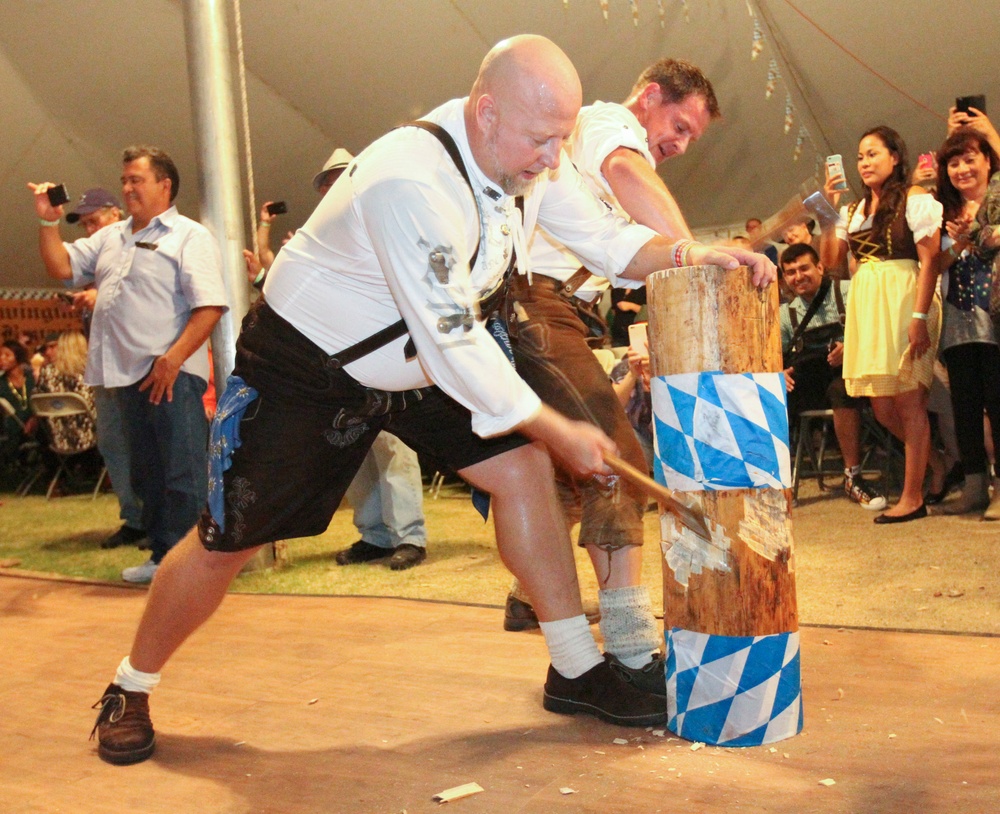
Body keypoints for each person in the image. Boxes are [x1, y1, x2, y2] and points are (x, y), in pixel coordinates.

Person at [85, 35, 773, 766]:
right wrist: (553, 424)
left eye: (560, 140)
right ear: (485, 113)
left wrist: (686, 252)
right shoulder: (406, 179)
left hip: (419, 363)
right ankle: (131, 685)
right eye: (542, 140)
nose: (552, 159)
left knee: (520, 472)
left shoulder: (531, 158)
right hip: (309, 369)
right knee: (229, 540)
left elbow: (604, 237)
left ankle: (575, 669)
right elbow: (451, 339)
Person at [503, 57, 724, 686]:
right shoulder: (605, 124)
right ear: (648, 96)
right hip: (534, 302)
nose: (678, 144)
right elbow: (623, 168)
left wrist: (688, 256)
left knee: (527, 479)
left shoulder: (592, 172)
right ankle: (627, 659)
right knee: (618, 465)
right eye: (678, 125)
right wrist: (697, 251)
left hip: (561, 307)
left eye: (690, 138)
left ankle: (544, 614)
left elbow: (627, 257)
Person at [29, 145, 228, 582]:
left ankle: (196, 566)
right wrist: (47, 219)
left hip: (170, 375)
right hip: (122, 375)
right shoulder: (110, 237)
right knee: (147, 474)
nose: (127, 187)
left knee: (184, 471)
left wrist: (172, 360)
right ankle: (163, 557)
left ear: (165, 185)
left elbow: (210, 306)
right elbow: (61, 266)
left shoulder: (188, 236)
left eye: (136, 180)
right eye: (124, 180)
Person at [247, 149, 429, 571]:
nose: (330, 188)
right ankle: (376, 536)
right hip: (339, 365)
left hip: (384, 361)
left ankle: (409, 537)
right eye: (326, 183)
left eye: (336, 180)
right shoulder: (324, 236)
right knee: (357, 453)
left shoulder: (383, 221)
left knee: (393, 450)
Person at [820, 126, 944, 523]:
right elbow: (831, 263)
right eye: (860, 157)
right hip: (870, 304)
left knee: (908, 401)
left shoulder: (916, 197)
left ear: (895, 156)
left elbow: (931, 262)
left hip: (907, 297)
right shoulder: (854, 210)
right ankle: (937, 465)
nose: (865, 162)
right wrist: (827, 206)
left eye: (873, 153)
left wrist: (919, 316)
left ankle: (912, 498)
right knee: (882, 406)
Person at [61, 188, 148, 549]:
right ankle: (135, 518)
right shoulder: (95, 259)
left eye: (93, 221)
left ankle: (161, 518)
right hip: (105, 370)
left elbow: (146, 291)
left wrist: (99, 296)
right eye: (83, 224)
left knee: (147, 446)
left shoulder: (141, 240)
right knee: (114, 444)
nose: (88, 229)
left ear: (115, 215)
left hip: (141, 366)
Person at [779, 243, 886, 510]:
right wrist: (777, 374)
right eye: (790, 272)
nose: (798, 276)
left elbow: (877, 330)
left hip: (851, 377)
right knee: (767, 392)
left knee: (842, 388)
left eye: (804, 268)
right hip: (807, 383)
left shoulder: (848, 292)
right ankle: (770, 482)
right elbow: (769, 357)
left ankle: (852, 477)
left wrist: (850, 348)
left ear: (820, 267)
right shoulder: (784, 314)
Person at [934, 125, 1000, 518]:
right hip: (957, 323)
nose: (961, 169)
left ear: (988, 162)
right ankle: (975, 485)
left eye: (969, 159)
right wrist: (956, 242)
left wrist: (978, 233)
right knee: (965, 406)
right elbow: (935, 264)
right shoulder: (941, 212)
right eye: (954, 163)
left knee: (999, 400)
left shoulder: (997, 201)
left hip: (994, 319)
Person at [34, 330, 98, 457]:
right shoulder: (89, 372)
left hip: (58, 440)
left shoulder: (47, 373)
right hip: (91, 438)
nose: (47, 352)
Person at [0, 341, 37, 468]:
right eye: (1, 355)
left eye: (7, 355)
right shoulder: (2, 383)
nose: (2, 359)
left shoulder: (32, 378)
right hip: (12, 426)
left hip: (36, 421)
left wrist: (34, 418)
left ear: (18, 357)